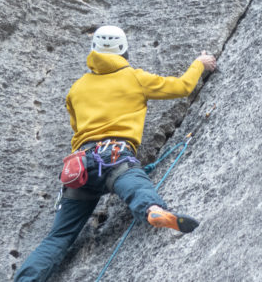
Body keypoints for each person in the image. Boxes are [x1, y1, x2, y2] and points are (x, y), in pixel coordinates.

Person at [14, 25, 216, 282]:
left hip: (79, 168)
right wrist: (199, 63)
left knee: (59, 237)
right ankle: (152, 209)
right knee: (135, 184)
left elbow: (77, 128)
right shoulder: (134, 77)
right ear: (124, 51)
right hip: (115, 156)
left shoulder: (77, 89)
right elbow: (182, 87)